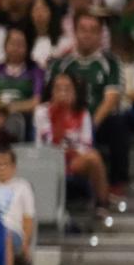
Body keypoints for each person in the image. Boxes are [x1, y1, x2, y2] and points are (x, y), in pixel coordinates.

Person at [50, 12, 129, 192]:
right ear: (75, 32)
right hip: (63, 122)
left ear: (101, 35)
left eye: (93, 31)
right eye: (83, 30)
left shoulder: (111, 62)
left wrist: (89, 125)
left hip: (97, 122)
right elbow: (50, 97)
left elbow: (111, 99)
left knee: (119, 122)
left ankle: (117, 183)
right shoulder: (61, 63)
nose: (87, 34)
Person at [35, 72, 112, 211]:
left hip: (74, 160)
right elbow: (48, 143)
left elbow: (86, 144)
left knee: (94, 157)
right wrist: (58, 113)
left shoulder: (83, 113)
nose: (63, 93)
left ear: (75, 91)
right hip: (49, 160)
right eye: (58, 88)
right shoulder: (42, 111)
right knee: (88, 156)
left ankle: (102, 205)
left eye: (67, 88)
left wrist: (71, 152)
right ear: (51, 91)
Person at [0, 28, 46, 139]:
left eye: (20, 44)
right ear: (5, 46)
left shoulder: (35, 71)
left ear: (27, 48)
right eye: (12, 43)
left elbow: (36, 102)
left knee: (14, 123)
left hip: (21, 116)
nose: (16, 48)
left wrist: (10, 108)